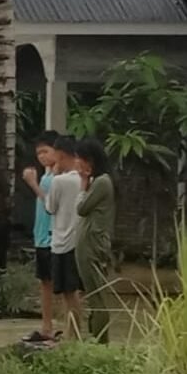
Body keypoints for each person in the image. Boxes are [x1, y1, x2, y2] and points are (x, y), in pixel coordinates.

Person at [74, 137, 117, 344]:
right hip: (87, 243)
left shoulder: (102, 182)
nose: (77, 164)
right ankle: (95, 338)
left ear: (89, 161)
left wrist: (83, 184)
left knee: (97, 296)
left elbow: (81, 209)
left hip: (93, 244)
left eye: (79, 159)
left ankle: (101, 342)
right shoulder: (98, 182)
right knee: (92, 295)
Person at [42, 136, 84, 340]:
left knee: (69, 293)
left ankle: (73, 335)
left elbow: (50, 207)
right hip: (78, 240)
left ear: (60, 154)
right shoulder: (83, 179)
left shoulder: (59, 180)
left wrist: (54, 175)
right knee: (75, 291)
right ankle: (72, 333)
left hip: (62, 240)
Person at [21, 131, 62, 340]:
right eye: (39, 153)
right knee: (45, 282)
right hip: (41, 236)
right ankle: (47, 327)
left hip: (52, 235)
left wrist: (33, 184)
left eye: (46, 151)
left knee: (61, 284)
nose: (42, 157)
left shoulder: (59, 177)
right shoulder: (48, 174)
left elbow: (50, 206)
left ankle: (64, 327)